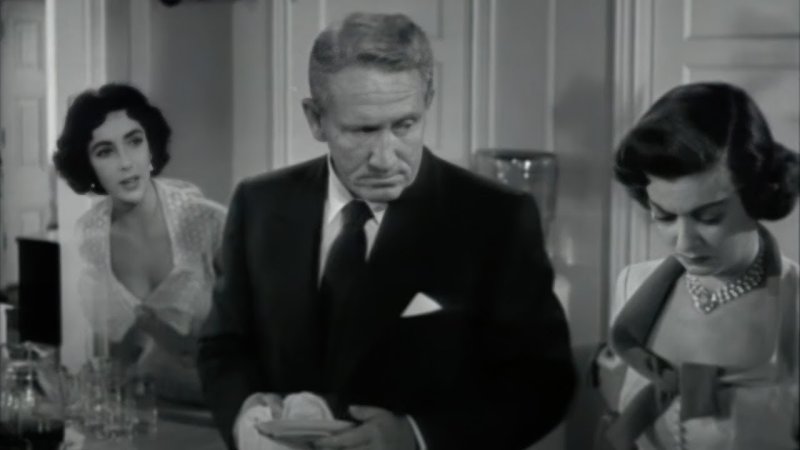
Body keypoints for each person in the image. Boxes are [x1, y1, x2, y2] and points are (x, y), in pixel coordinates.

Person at [198, 12, 575, 450]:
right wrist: (245, 415)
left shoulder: (495, 218)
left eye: (404, 125)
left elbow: (543, 382)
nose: (385, 157)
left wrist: (415, 436)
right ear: (316, 119)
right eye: (363, 130)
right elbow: (224, 347)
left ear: (428, 100)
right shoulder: (259, 204)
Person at [596, 82, 799, 449]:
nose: (684, 244)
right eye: (664, 216)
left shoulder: (795, 300)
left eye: (709, 217)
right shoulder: (632, 285)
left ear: (756, 197)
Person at [53, 83, 227, 405]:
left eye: (134, 142)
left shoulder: (210, 223)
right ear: (87, 164)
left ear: (151, 147)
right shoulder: (88, 240)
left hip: (218, 412)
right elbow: (103, 355)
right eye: (105, 151)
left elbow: (260, 338)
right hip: (135, 413)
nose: (126, 163)